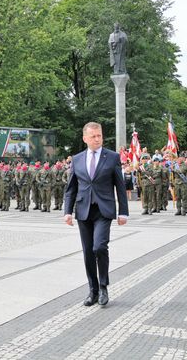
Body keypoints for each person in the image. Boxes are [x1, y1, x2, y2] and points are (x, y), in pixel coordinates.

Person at [64, 122, 128, 307]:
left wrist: (123, 212)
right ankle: (92, 290)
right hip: (84, 210)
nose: (97, 139)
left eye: (99, 135)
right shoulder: (77, 159)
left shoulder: (112, 157)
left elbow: (120, 186)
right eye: (93, 136)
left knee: (99, 247)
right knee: (87, 252)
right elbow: (71, 188)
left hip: (104, 210)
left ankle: (103, 286)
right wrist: (67, 211)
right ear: (85, 138)